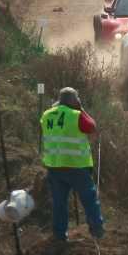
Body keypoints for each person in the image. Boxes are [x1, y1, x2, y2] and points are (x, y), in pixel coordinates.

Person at [40, 87, 104, 243]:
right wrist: (81, 108)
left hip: (54, 167)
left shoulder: (46, 115)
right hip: (76, 167)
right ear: (74, 101)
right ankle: (97, 230)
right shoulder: (76, 116)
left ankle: (59, 235)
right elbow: (92, 127)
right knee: (89, 199)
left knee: (59, 203)